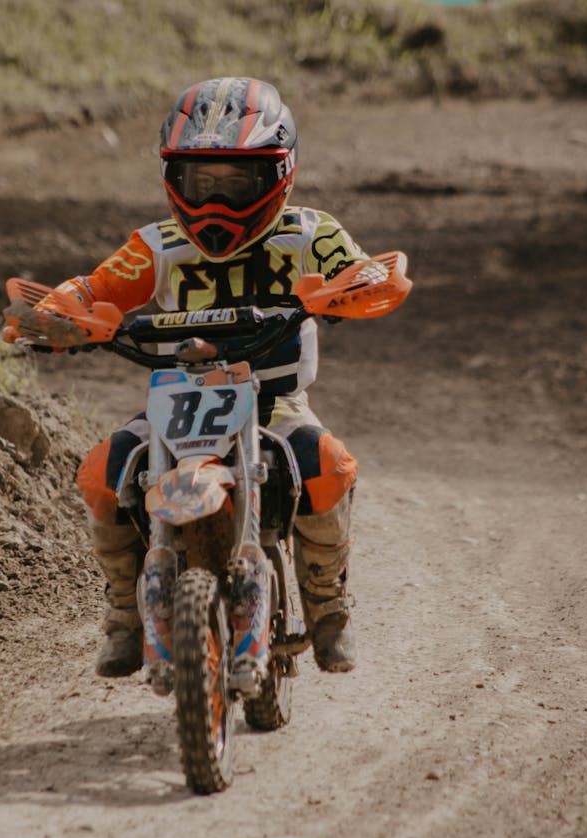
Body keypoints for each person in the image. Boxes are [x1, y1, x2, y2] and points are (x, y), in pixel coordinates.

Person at [31, 77, 399, 678]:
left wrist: (357, 286)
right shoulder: (157, 244)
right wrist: (60, 310)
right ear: (175, 178)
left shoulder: (309, 232)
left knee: (328, 467)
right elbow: (96, 286)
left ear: (277, 173)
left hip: (274, 403)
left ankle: (329, 609)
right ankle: (126, 615)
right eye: (202, 181)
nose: (217, 201)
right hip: (179, 403)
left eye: (237, 182)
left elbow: (357, 268)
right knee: (101, 475)